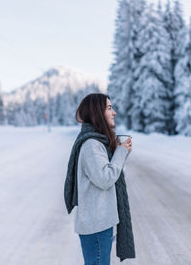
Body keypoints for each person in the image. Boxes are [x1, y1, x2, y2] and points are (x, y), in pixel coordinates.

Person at [64, 93, 136, 264]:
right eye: (110, 108)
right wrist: (121, 152)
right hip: (96, 224)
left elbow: (107, 172)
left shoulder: (98, 142)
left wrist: (119, 150)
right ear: (98, 112)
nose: (114, 113)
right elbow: (105, 178)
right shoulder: (92, 145)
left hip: (99, 222)